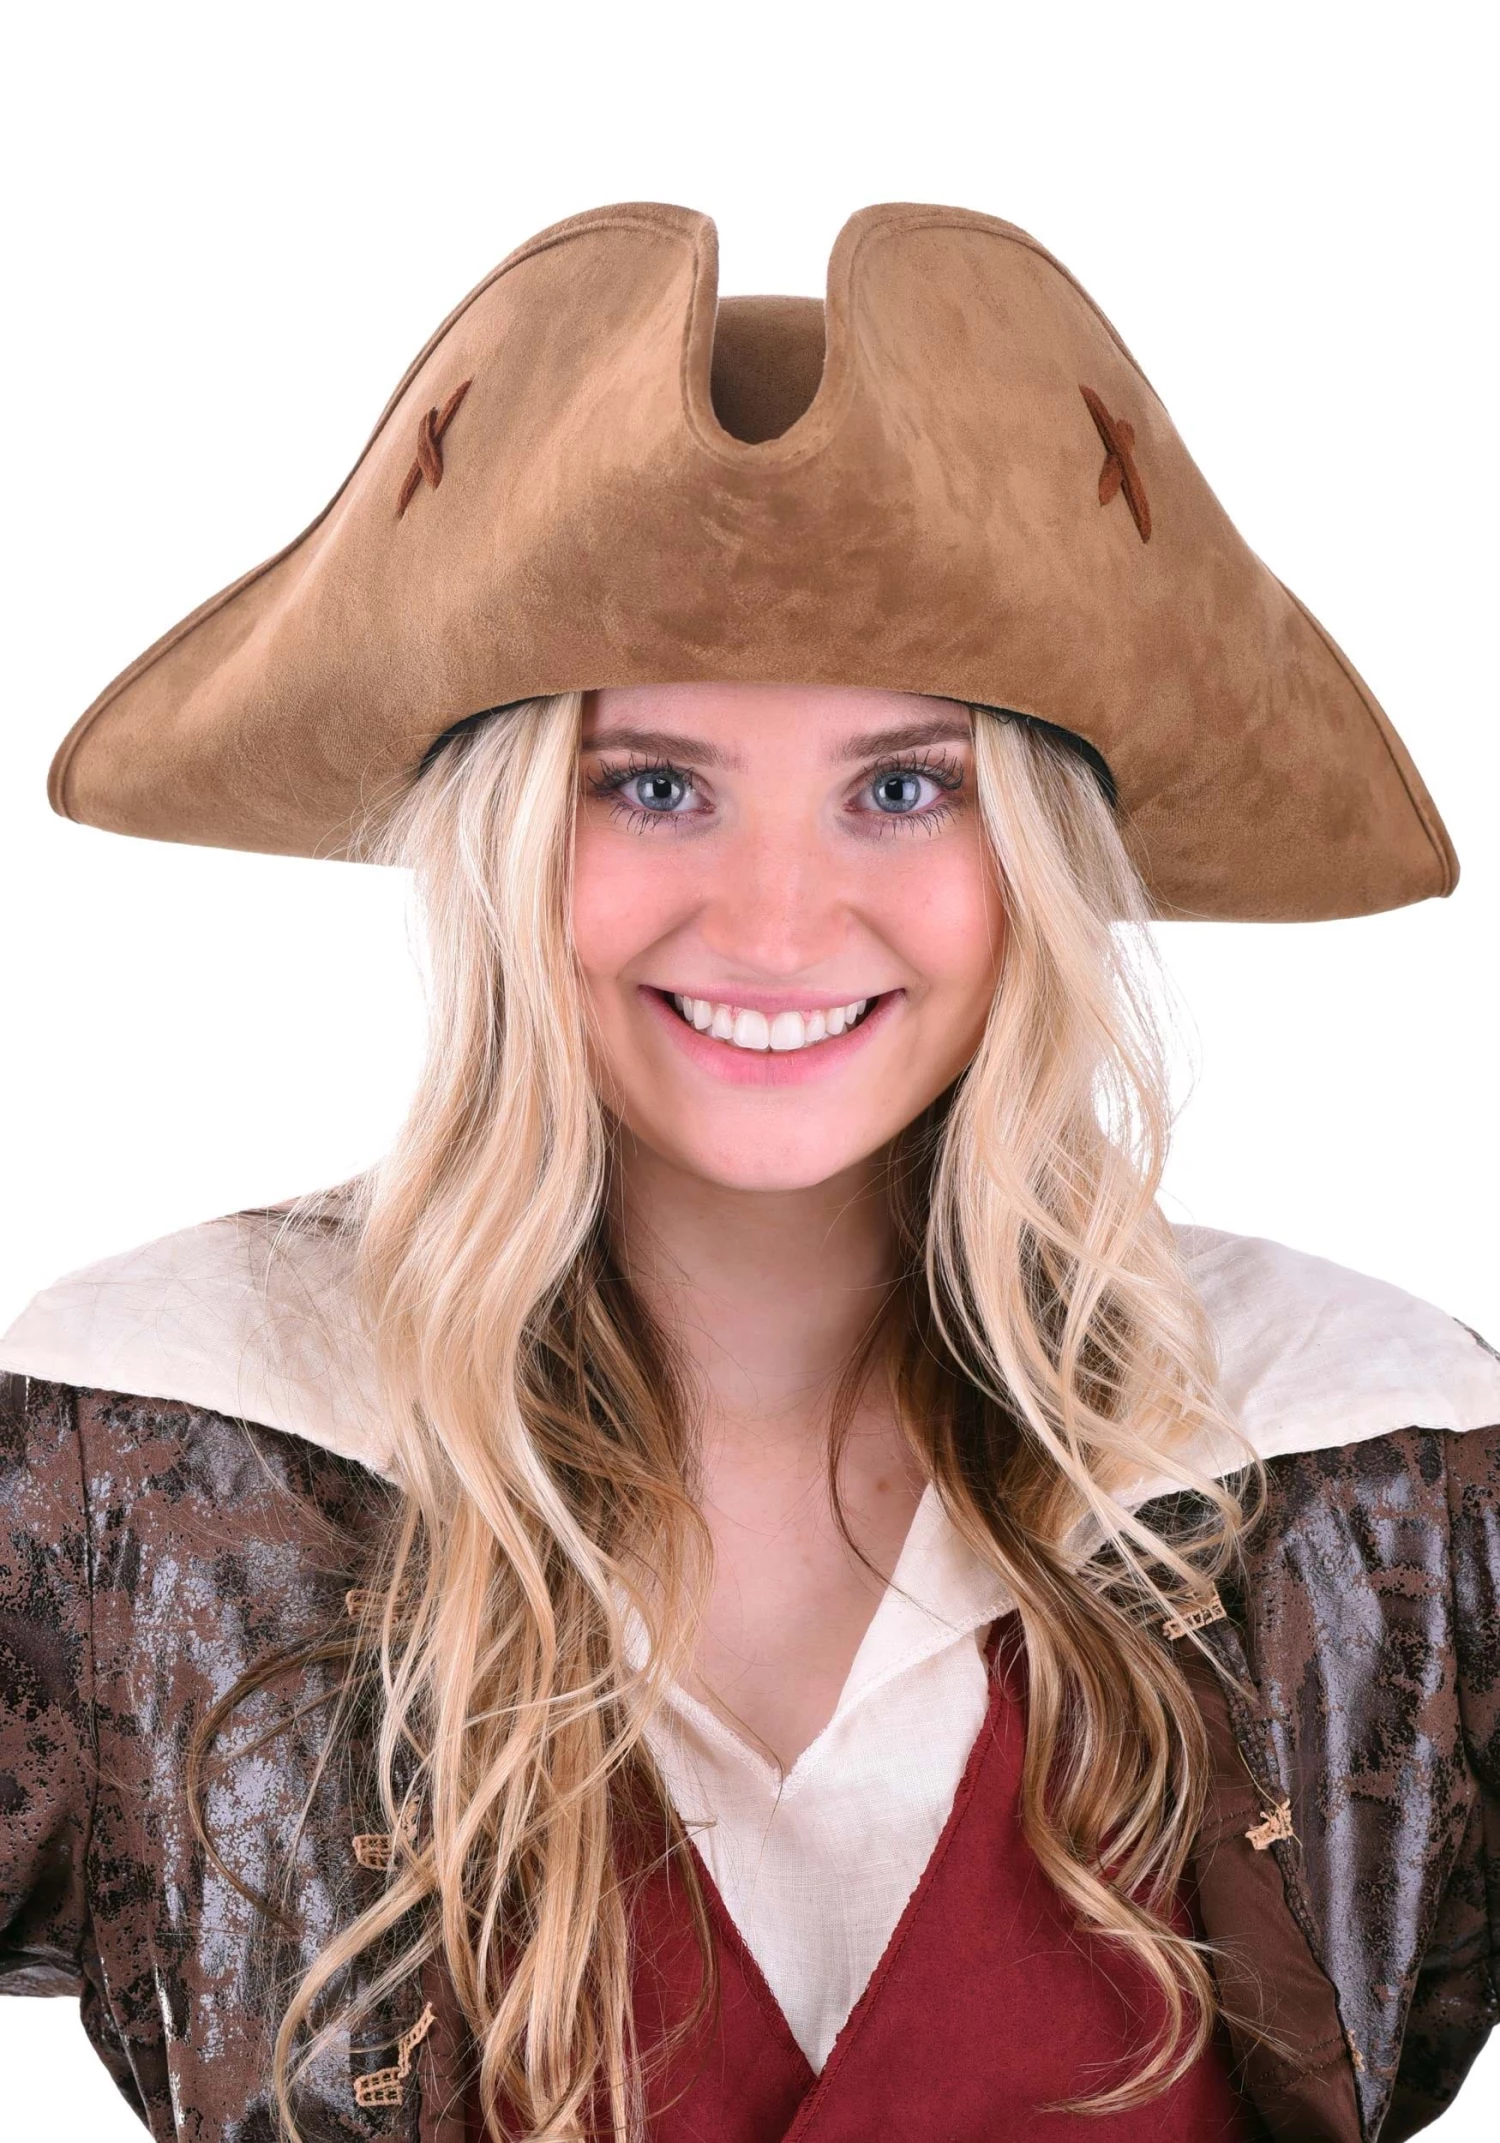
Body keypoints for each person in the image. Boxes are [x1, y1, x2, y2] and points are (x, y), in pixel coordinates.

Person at [1, 201, 1495, 2143]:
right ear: (507, 838)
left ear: (1039, 860)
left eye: (905, 787)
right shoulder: (157, 1452)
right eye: (655, 785)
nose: (778, 922)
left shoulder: (1370, 1476)